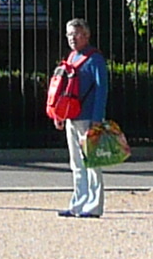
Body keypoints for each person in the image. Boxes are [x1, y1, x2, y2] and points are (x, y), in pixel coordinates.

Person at [47, 18, 111, 219]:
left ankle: (94, 205)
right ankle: (78, 203)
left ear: (86, 35)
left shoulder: (95, 59)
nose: (72, 39)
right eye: (69, 35)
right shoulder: (72, 57)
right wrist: (59, 114)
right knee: (76, 163)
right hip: (71, 118)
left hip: (87, 119)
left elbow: (102, 89)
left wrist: (97, 118)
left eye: (76, 34)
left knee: (92, 163)